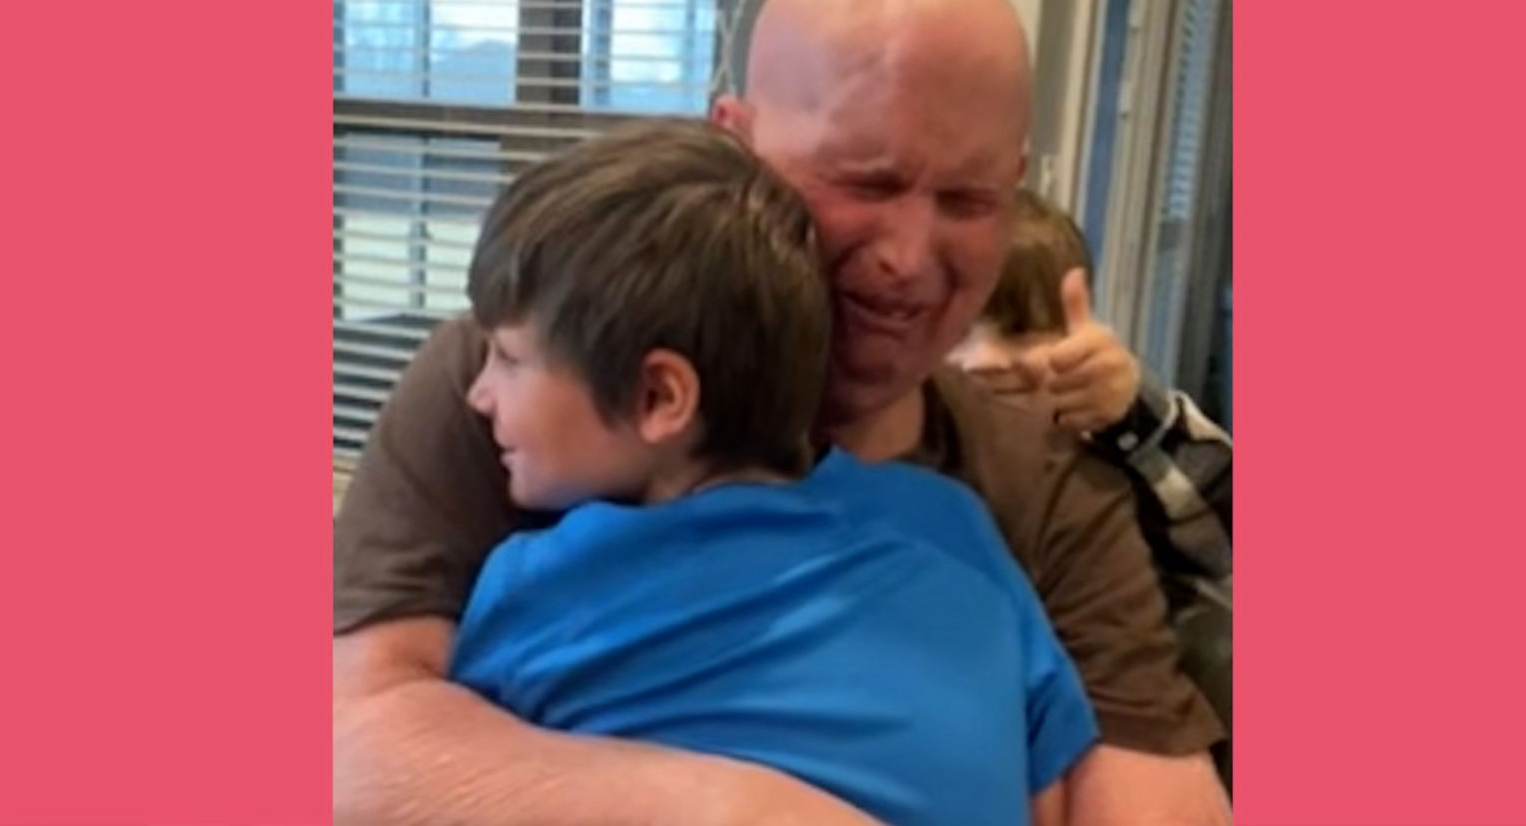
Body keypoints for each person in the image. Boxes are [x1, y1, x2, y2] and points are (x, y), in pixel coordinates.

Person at [334, 0, 1231, 825]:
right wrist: (743, 809)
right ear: (738, 143)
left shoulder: (1043, 497)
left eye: (969, 200)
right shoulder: (534, 377)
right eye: (864, 182)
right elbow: (351, 752)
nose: (910, 260)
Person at [448, 118, 1097, 825]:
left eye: (509, 359)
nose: (478, 394)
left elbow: (445, 784)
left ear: (660, 397)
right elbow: (1048, 796)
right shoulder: (954, 528)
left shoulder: (534, 589)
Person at [948, 187, 1234, 786]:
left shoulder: (1106, 442)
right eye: (957, 332)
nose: (985, 360)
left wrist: (1135, 414)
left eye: (1023, 331)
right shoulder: (908, 440)